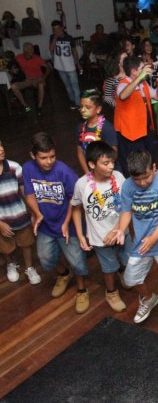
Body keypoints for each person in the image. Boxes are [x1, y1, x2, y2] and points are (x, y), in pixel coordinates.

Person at [106, 150, 158, 328]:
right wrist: (120, 230)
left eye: (146, 177)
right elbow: (126, 211)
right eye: (137, 179)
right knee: (131, 278)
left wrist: (154, 237)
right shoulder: (128, 186)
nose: (142, 183)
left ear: (154, 168)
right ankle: (149, 299)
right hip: (142, 241)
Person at [22, 132, 88, 313]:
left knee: (77, 260)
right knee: (45, 258)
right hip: (46, 225)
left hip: (68, 225)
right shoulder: (27, 169)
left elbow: (75, 201)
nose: (49, 161)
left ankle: (82, 290)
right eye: (43, 158)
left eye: (52, 156)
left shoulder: (65, 172)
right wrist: (37, 214)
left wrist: (66, 223)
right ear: (33, 155)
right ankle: (64, 274)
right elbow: (29, 194)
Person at [71, 141, 129, 313]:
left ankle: (123, 271)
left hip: (122, 231)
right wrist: (80, 235)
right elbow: (76, 208)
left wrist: (117, 229)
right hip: (100, 237)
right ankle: (111, 293)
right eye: (106, 163)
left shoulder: (118, 177)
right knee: (108, 268)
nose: (111, 166)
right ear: (92, 164)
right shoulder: (82, 184)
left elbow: (127, 206)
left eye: (112, 162)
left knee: (127, 260)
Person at [114, 56, 158, 176]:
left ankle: (149, 178)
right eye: (142, 68)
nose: (145, 70)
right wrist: (140, 77)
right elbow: (123, 95)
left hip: (145, 128)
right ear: (134, 71)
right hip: (130, 132)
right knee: (134, 162)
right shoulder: (123, 83)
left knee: (149, 156)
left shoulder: (144, 83)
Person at [0, 140, 40, 285]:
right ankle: (11, 264)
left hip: (20, 215)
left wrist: (34, 213)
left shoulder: (14, 167)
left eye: (1, 145)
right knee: (5, 247)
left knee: (26, 243)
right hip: (2, 219)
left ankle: (29, 267)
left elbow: (26, 193)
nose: (1, 149)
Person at [76, 89, 118, 175]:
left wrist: (102, 172)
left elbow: (113, 154)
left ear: (98, 109)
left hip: (107, 172)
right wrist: (87, 172)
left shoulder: (107, 128)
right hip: (91, 172)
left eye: (87, 107)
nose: (82, 110)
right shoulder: (80, 128)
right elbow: (80, 151)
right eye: (81, 106)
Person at [11, 42, 51, 116]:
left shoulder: (37, 58)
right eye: (30, 49)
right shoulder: (18, 58)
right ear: (25, 51)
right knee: (13, 86)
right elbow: (12, 67)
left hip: (37, 79)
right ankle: (26, 106)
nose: (32, 50)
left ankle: (39, 107)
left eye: (32, 48)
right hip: (26, 80)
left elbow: (48, 67)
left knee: (41, 85)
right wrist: (12, 70)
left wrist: (44, 77)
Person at [49, 20, 82, 109]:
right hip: (60, 66)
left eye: (58, 29)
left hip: (70, 65)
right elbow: (51, 49)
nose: (56, 31)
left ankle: (78, 103)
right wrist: (55, 37)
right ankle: (72, 100)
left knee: (74, 84)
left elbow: (74, 51)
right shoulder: (52, 37)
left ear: (62, 28)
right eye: (54, 29)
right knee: (67, 85)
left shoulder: (69, 38)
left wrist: (78, 64)